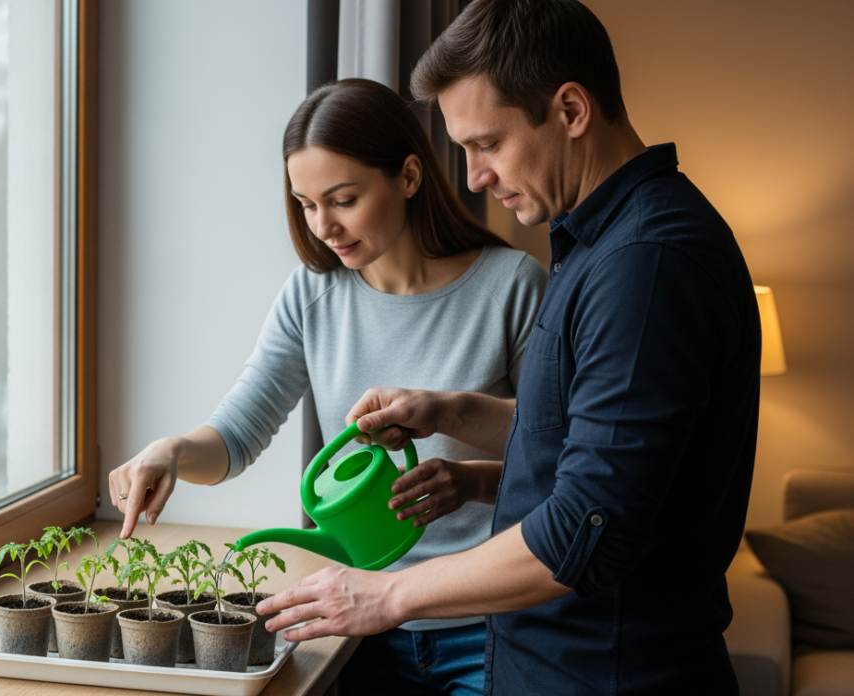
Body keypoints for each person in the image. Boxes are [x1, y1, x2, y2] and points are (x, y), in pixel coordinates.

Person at [259, 2, 761, 694]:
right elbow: (592, 446)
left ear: (571, 110)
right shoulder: (599, 244)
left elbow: (584, 527)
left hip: (604, 676)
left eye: (487, 144)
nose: (473, 178)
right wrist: (452, 414)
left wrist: (387, 595)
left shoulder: (647, 265)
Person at [108, 78, 547, 694]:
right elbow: (238, 434)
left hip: (488, 621)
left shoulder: (512, 286)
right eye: (306, 204)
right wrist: (172, 452)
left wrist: (471, 479)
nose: (323, 227)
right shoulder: (311, 295)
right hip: (359, 624)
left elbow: (559, 453)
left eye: (342, 200)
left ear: (409, 176)